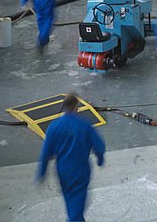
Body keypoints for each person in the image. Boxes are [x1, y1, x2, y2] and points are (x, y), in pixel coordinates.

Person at [36, 92, 105, 222]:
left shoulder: (54, 127)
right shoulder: (84, 125)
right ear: (76, 106)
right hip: (80, 169)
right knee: (77, 205)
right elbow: (99, 146)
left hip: (63, 170)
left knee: (70, 200)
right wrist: (100, 159)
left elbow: (45, 152)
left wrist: (41, 173)